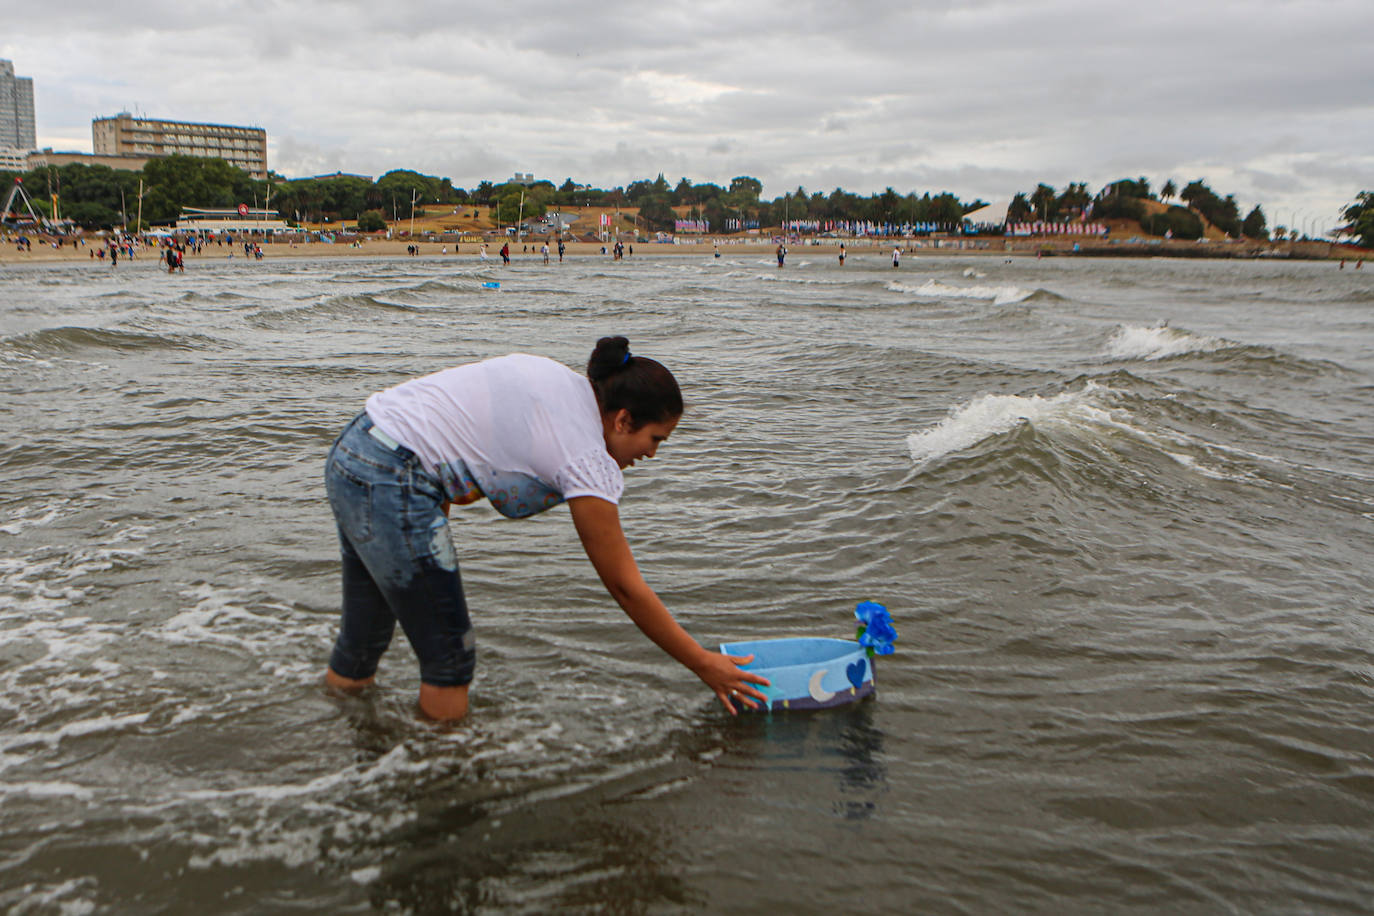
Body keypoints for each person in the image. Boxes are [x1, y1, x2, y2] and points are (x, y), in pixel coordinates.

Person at [322, 337, 770, 722]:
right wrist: (703, 663)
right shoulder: (586, 457)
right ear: (622, 420)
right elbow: (624, 585)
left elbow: (458, 429)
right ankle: (446, 785)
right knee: (449, 660)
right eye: (655, 440)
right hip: (392, 478)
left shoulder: (563, 384)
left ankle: (344, 739)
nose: (651, 455)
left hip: (357, 449)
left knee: (364, 640)